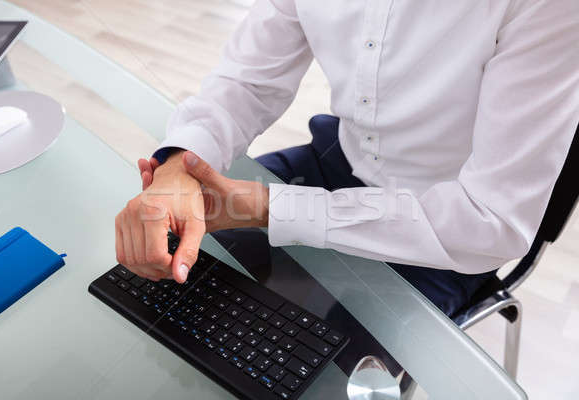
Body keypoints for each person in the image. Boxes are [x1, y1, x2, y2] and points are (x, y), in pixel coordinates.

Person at [115, 0, 579, 316]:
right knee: (158, 285)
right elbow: (248, 83)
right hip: (335, 163)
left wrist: (267, 207)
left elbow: (489, 220)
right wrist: (180, 166)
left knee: (301, 370)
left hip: (443, 237)